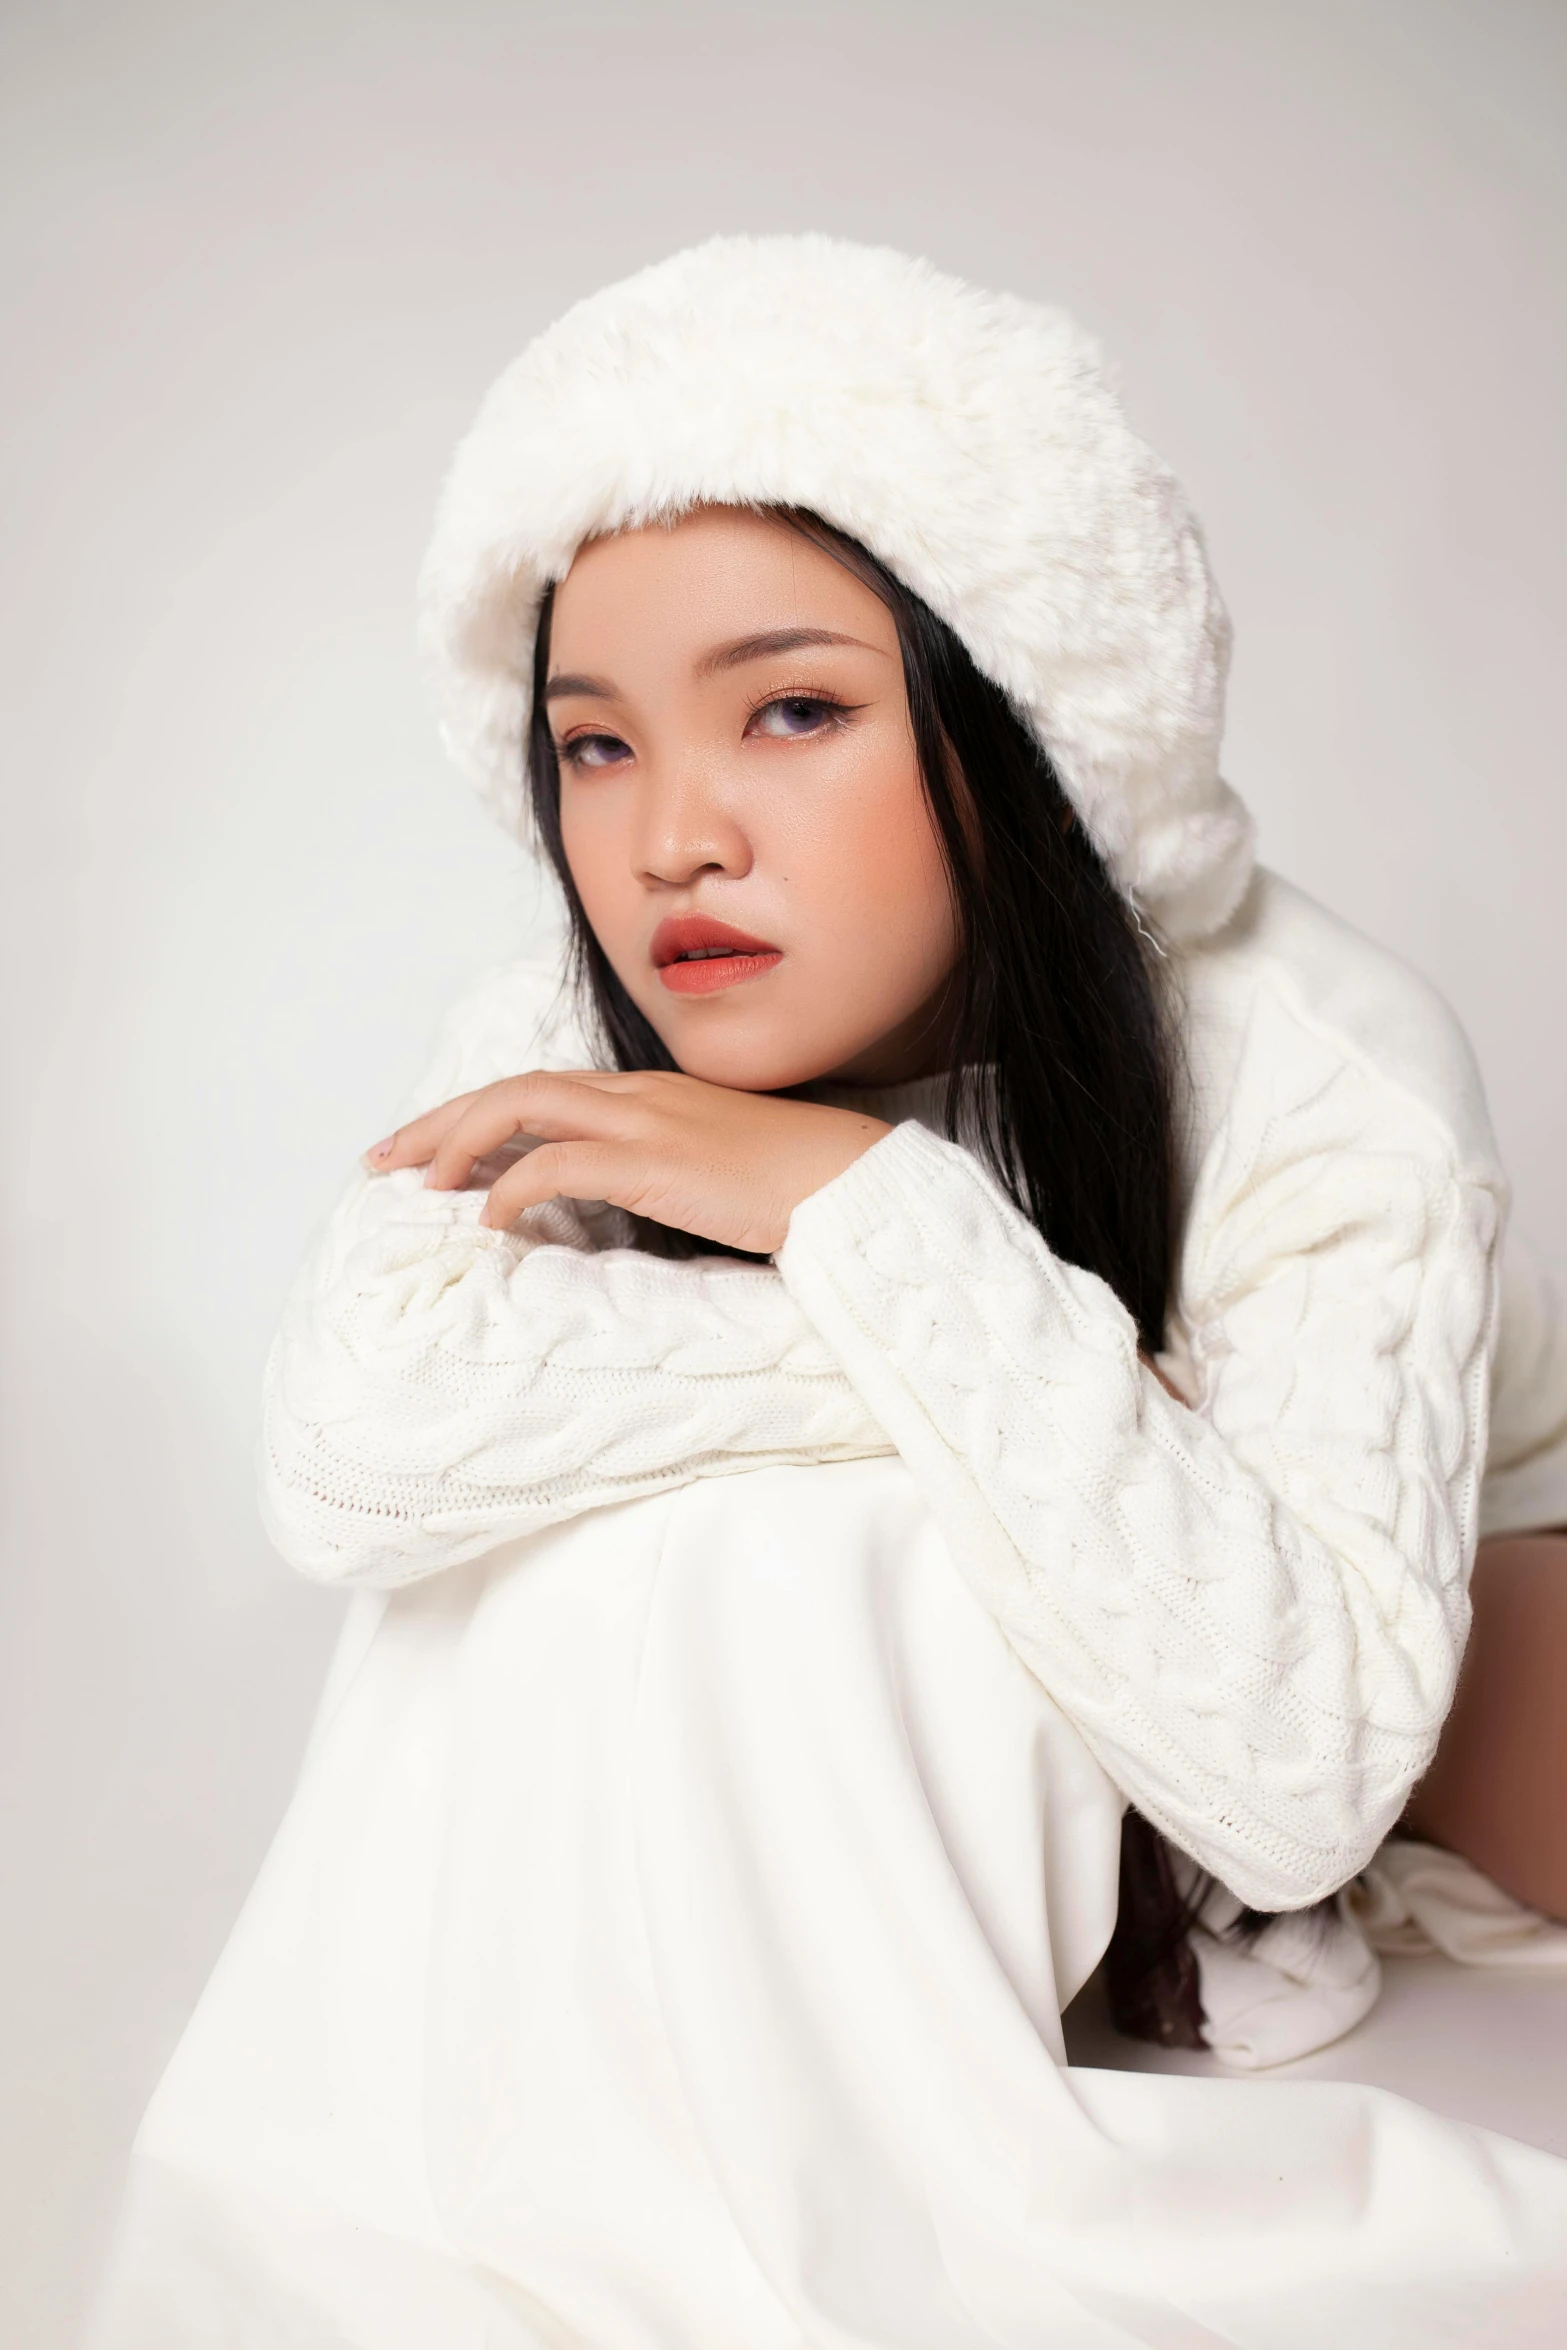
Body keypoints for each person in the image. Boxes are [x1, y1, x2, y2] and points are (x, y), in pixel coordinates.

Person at [92, 236, 1567, 2346]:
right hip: (1122, 1708)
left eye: (794, 709)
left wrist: (877, 1204)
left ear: (1012, 723)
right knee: (724, 1507)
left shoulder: (1313, 1053)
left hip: (1460, 1646)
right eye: (594, 746)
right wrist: (961, 1328)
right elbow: (352, 1452)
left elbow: (1302, 1767)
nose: (674, 837)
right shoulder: (564, 1011)